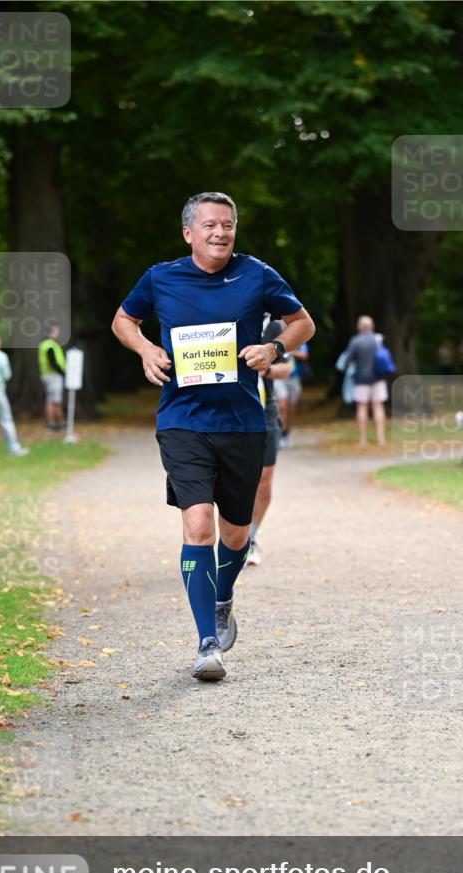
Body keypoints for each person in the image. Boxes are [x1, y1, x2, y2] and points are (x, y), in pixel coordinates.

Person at [111, 191, 315, 681]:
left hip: (242, 422)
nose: (220, 232)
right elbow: (123, 320)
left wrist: (273, 348)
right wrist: (145, 350)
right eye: (209, 225)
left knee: (235, 533)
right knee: (198, 522)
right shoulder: (161, 277)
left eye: (228, 225)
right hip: (182, 420)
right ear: (189, 233)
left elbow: (303, 323)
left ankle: (223, 597)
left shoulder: (257, 274)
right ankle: (207, 644)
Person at [247, 317, 292, 568]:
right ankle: (229, 538)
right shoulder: (222, 315)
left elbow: (286, 369)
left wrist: (264, 369)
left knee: (264, 481)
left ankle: (250, 538)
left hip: (265, 409)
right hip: (228, 409)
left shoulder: (272, 326)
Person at [341, 315, 387, 447]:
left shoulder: (355, 341)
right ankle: (381, 439)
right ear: (372, 326)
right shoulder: (378, 340)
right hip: (378, 378)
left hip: (361, 379)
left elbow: (346, 361)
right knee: (378, 407)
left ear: (359, 327)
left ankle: (362, 440)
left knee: (362, 407)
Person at [275, 340, 309, 448]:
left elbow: (304, 355)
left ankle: (287, 432)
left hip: (294, 378)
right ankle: (280, 434)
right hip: (279, 377)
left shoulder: (298, 339)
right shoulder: (277, 337)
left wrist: (291, 352)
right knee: (282, 405)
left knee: (291, 408)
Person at [38, 325, 66, 430]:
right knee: (55, 400)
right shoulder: (50, 345)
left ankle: (53, 422)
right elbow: (53, 362)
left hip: (46, 375)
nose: (57, 334)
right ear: (51, 333)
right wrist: (62, 372)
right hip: (53, 375)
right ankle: (58, 422)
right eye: (56, 331)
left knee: (50, 399)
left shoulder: (44, 344)